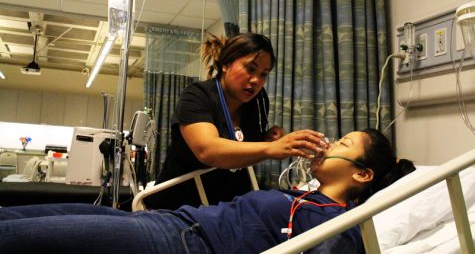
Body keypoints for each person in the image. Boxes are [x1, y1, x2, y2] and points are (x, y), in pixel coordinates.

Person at [0, 128, 415, 254]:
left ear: (362, 175)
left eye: (342, 145)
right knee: (18, 216)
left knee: (19, 238)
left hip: (182, 244)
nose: (328, 145)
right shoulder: (305, 195)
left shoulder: (339, 226)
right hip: (170, 220)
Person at [150, 33, 326, 209]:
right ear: (226, 64)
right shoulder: (197, 96)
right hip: (179, 205)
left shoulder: (257, 100)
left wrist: (269, 137)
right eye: (250, 69)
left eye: (264, 74)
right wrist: (271, 148)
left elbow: (244, 142)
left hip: (228, 204)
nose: (256, 80)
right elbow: (208, 150)